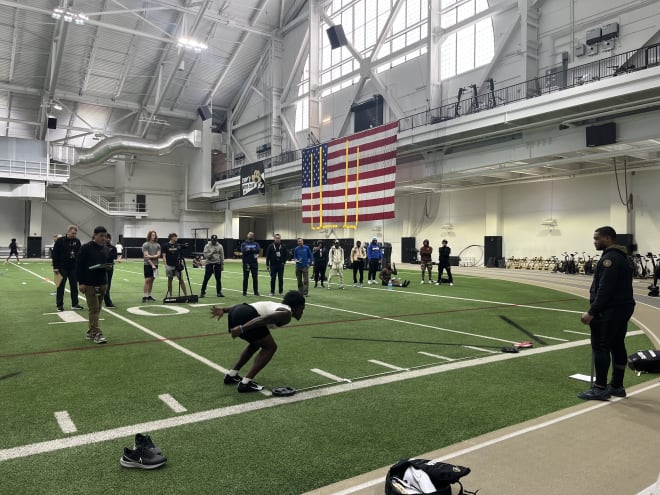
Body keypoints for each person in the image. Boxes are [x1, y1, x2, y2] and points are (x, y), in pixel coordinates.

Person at [578, 226, 635, 401]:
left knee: (601, 346)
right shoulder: (621, 256)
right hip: (622, 308)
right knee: (617, 345)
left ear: (608, 239)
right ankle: (617, 385)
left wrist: (592, 312)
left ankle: (600, 387)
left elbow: (605, 289)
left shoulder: (609, 259)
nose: (595, 242)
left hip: (610, 310)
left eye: (597, 239)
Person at [210, 291, 306, 392]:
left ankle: (232, 375)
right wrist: (243, 328)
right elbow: (265, 319)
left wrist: (224, 310)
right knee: (270, 347)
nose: (302, 312)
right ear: (298, 307)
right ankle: (246, 383)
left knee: (256, 344)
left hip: (236, 311)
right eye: (302, 309)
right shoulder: (286, 314)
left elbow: (248, 307)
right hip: (247, 316)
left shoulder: (276, 305)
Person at [76, 226, 110, 344]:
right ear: (94, 235)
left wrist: (108, 266)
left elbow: (106, 263)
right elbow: (79, 265)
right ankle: (97, 333)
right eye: (101, 236)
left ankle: (90, 332)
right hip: (89, 283)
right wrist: (81, 283)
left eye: (105, 236)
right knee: (94, 309)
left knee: (98, 309)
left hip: (102, 282)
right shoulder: (85, 248)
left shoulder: (105, 249)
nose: (103, 238)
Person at [52, 225, 83, 312]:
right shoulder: (60, 241)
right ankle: (59, 305)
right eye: (73, 233)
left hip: (73, 267)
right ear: (68, 232)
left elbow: (79, 254)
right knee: (60, 287)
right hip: (61, 267)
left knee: (74, 286)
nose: (74, 235)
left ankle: (75, 304)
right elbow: (55, 254)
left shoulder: (77, 241)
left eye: (75, 233)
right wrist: (55, 267)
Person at [162, 233, 188, 298]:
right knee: (170, 280)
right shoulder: (165, 245)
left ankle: (186, 295)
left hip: (177, 265)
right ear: (171, 237)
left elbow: (181, 253)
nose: (176, 238)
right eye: (175, 237)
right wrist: (165, 265)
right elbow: (164, 256)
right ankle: (170, 295)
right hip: (169, 265)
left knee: (181, 280)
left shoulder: (178, 245)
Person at [142, 230, 161, 303]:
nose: (154, 236)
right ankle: (144, 296)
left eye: (155, 235)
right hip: (148, 264)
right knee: (147, 280)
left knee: (152, 280)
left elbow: (159, 255)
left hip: (156, 264)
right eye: (152, 235)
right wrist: (152, 263)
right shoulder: (145, 244)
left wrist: (152, 256)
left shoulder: (158, 245)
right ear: (149, 236)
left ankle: (149, 295)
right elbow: (146, 256)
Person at [241, 231, 260, 296]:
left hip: (254, 263)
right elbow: (243, 251)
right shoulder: (244, 244)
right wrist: (252, 250)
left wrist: (250, 249)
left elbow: (258, 250)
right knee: (245, 278)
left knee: (255, 278)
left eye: (252, 235)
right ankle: (244, 292)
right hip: (246, 263)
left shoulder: (256, 243)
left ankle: (256, 292)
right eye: (249, 234)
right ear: (247, 235)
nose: (251, 236)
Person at [103, 233, 118, 308]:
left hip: (110, 267)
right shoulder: (101, 247)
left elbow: (115, 257)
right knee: (104, 285)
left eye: (109, 238)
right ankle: (107, 301)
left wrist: (109, 252)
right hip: (102, 267)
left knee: (108, 285)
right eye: (106, 238)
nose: (108, 239)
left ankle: (107, 301)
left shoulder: (113, 247)